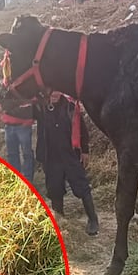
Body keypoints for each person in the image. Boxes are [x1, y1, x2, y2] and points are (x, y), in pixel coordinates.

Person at [35, 92, 99, 236]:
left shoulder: (71, 107)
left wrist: (85, 151)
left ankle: (93, 220)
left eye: (57, 91)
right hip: (51, 157)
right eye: (51, 91)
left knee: (82, 186)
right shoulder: (41, 108)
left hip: (70, 155)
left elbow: (82, 130)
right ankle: (60, 221)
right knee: (54, 189)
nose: (55, 94)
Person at [0, 89, 35, 183]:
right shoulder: (5, 88)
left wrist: (5, 110)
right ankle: (16, 180)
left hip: (23, 126)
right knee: (12, 154)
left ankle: (28, 181)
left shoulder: (26, 87)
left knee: (26, 154)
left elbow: (30, 105)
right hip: (9, 127)